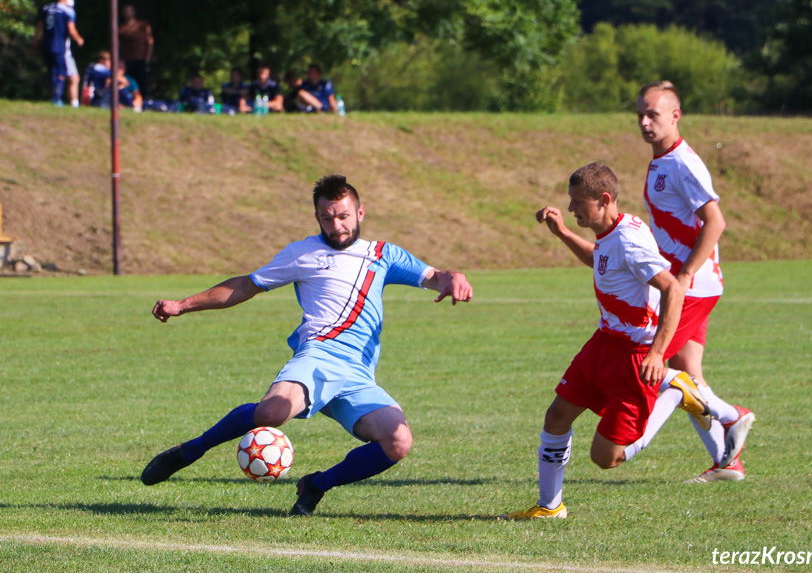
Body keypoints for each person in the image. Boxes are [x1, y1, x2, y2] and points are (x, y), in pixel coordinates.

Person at [140, 174, 474, 517]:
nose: (336, 226)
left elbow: (435, 277)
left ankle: (316, 485)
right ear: (317, 218)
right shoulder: (302, 253)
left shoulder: (383, 255)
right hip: (318, 357)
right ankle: (190, 451)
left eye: (343, 216)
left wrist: (455, 278)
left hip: (357, 375)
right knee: (272, 412)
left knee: (397, 442)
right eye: (327, 218)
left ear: (360, 213)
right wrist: (183, 304)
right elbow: (246, 285)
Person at [506, 162, 715, 519]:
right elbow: (602, 261)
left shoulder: (630, 239)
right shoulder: (613, 232)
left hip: (635, 355)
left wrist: (658, 353)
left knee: (606, 458)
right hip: (603, 343)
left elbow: (672, 289)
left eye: (577, 202)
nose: (571, 209)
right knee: (556, 416)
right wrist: (562, 234)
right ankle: (549, 506)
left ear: (603, 200)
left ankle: (677, 391)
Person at [636, 80, 755, 483]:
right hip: (689, 284)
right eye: (641, 114)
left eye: (653, 113)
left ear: (675, 115)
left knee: (659, 364)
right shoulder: (661, 160)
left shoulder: (684, 163)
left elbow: (715, 221)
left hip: (694, 285)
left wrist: (684, 274)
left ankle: (732, 415)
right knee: (687, 370)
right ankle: (727, 461)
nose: (645, 121)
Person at [36, 0, 84, 107]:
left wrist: (36, 41)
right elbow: (71, 30)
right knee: (60, 73)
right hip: (59, 46)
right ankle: (56, 98)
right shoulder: (67, 11)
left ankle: (54, 96)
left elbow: (39, 27)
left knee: (52, 71)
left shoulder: (46, 8)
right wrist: (79, 39)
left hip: (46, 44)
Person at [119, 4, 154, 98]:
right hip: (127, 60)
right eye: (126, 11)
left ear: (134, 12)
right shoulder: (121, 29)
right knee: (129, 81)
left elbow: (150, 42)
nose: (128, 13)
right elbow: (118, 45)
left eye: (130, 11)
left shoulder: (143, 25)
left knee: (142, 82)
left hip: (141, 59)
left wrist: (147, 58)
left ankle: (144, 101)